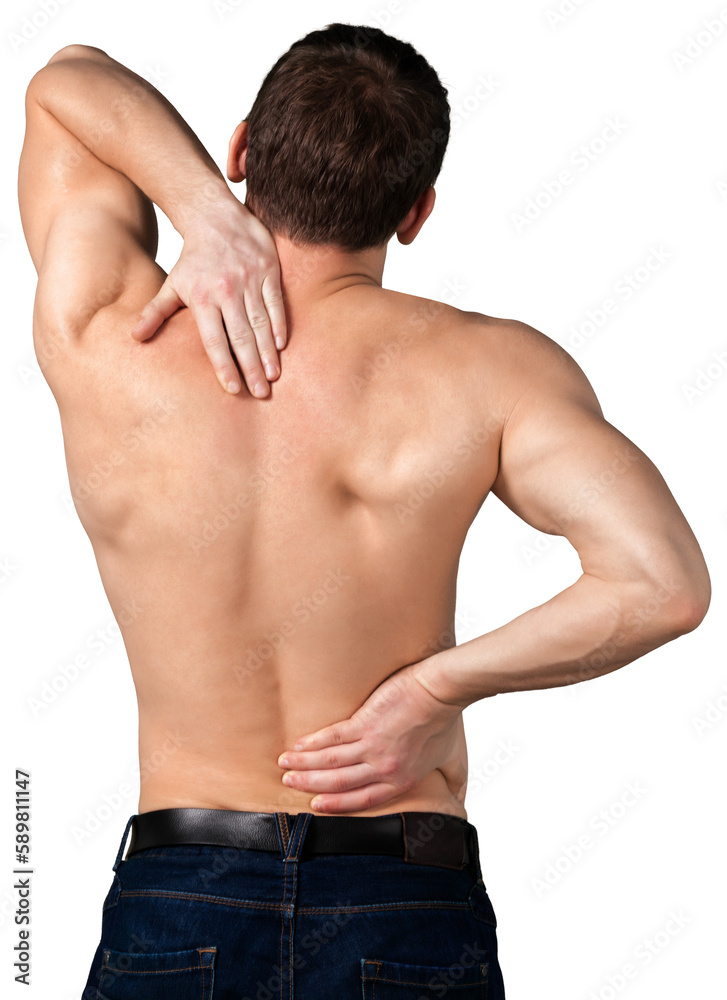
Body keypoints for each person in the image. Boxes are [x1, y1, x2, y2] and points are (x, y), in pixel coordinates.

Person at [18, 23, 710, 1000]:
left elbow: (67, 82)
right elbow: (662, 585)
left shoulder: (109, 330)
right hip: (401, 894)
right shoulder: (490, 369)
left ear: (240, 149)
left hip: (181, 897)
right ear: (416, 210)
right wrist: (435, 690)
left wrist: (202, 213)